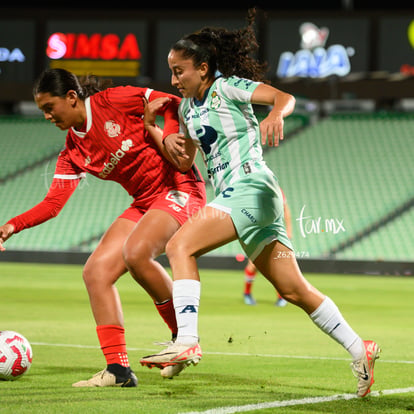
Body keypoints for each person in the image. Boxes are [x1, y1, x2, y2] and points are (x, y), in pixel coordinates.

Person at [139, 11, 380, 398]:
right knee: (293, 289)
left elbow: (284, 97)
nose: (173, 80)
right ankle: (360, 349)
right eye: (170, 72)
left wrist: (275, 114)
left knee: (178, 246)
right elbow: (184, 160)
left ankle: (186, 340)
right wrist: (153, 127)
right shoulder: (187, 109)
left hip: (252, 187)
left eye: (179, 71)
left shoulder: (227, 87)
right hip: (245, 201)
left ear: (203, 68)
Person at [0, 68, 206, 386]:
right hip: (144, 202)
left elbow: (173, 103)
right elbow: (53, 205)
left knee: (136, 253)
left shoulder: (112, 101)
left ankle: (183, 338)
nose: (46, 116)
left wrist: (168, 135)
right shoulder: (72, 152)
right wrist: (12, 225)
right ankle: (118, 371)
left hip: (179, 188)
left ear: (71, 97)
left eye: (48, 107)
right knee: (95, 272)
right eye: (42, 110)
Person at [243, 188, 292, 306]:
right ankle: (247, 293)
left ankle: (281, 296)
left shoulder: (277, 190)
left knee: (278, 264)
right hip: (258, 231)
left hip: (274, 231)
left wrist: (289, 230)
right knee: (253, 264)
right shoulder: (254, 191)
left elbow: (285, 210)